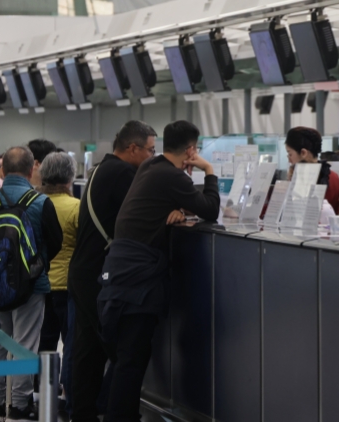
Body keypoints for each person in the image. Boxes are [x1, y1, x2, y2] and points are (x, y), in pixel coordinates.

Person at [97, 120, 219, 422]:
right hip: (137, 281)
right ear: (191, 149)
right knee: (132, 359)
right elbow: (211, 209)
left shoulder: (150, 167)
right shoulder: (171, 176)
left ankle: (114, 414)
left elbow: (160, 202)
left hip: (120, 272)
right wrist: (208, 170)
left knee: (125, 357)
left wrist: (179, 208)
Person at [68, 121, 157, 422]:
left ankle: (83, 413)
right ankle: (118, 413)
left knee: (89, 350)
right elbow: (144, 213)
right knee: (122, 351)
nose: (152, 157)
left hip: (83, 271)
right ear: (132, 148)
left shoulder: (101, 169)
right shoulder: (122, 174)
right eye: (150, 150)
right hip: (100, 275)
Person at [0, 146, 63, 422]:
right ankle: (19, 403)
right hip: (31, 287)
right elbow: (56, 241)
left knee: (2, 344)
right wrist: (37, 267)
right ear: (31, 169)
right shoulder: (40, 202)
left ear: (2, 170)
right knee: (23, 345)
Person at [37, 152, 80, 418]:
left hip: (40, 286)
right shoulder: (76, 207)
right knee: (71, 344)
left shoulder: (36, 204)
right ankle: (68, 397)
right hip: (68, 287)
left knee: (44, 345)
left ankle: (43, 396)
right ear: (70, 176)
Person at [284, 127, 339, 215]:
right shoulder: (334, 177)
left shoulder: (299, 179)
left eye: (290, 154)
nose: (289, 160)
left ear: (303, 153)